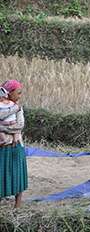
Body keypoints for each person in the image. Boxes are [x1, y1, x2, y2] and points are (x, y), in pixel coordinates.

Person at [0, 80, 27, 209]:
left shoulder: (19, 108)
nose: (19, 96)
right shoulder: (14, 107)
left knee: (18, 173)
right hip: (3, 146)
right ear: (9, 93)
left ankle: (18, 204)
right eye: (18, 93)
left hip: (15, 144)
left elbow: (20, 125)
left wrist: (4, 129)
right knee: (2, 173)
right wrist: (14, 109)